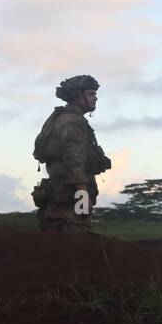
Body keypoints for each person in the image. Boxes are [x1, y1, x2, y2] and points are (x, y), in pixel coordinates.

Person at [32, 74, 111, 232]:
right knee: (76, 234)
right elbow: (73, 158)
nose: (95, 98)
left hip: (59, 191)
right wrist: (82, 192)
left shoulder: (60, 118)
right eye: (90, 94)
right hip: (70, 192)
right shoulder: (73, 121)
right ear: (77, 96)